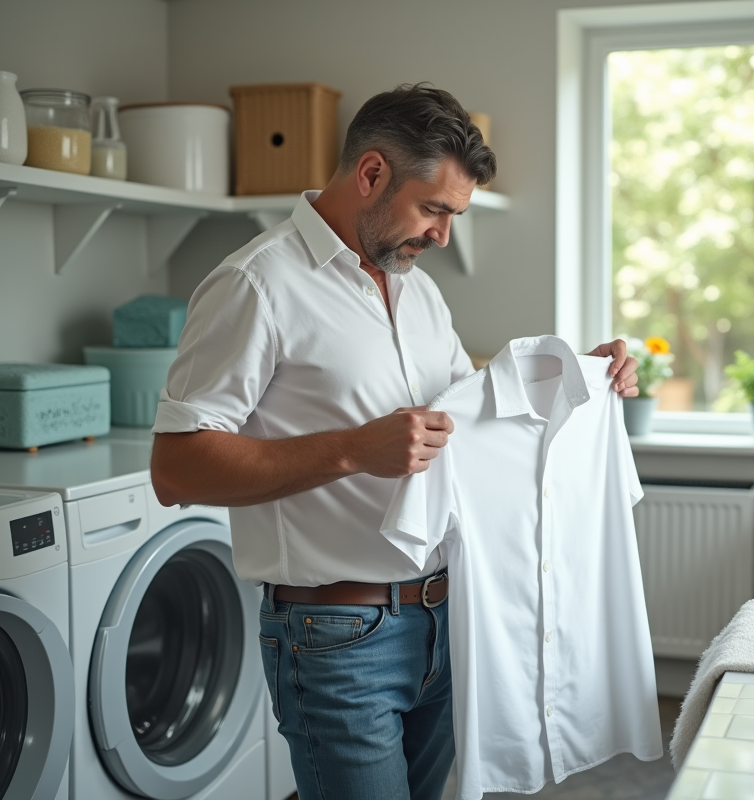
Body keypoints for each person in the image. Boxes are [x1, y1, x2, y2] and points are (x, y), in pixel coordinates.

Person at [149, 83, 639, 800]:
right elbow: (176, 467)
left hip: (445, 622)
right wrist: (351, 450)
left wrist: (580, 377)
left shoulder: (416, 290)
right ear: (372, 174)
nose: (444, 235)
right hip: (336, 635)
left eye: (454, 216)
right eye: (435, 209)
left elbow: (464, 417)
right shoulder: (257, 285)